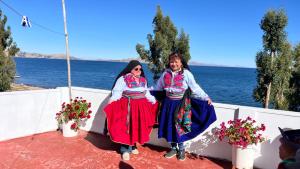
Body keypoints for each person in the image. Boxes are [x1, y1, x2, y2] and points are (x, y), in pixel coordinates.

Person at [153, 52, 217, 161]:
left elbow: (195, 88)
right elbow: (158, 86)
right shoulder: (165, 73)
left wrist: (206, 97)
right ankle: (173, 148)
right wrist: (146, 92)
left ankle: (181, 149)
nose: (173, 64)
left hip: (181, 104)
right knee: (170, 126)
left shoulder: (186, 74)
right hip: (168, 104)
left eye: (176, 62)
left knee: (179, 127)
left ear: (181, 63)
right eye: (172, 61)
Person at [104, 60, 158, 161]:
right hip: (127, 107)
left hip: (140, 108)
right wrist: (111, 101)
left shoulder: (143, 80)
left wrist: (153, 100)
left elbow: (146, 93)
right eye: (136, 69)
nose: (139, 71)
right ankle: (124, 149)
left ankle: (133, 146)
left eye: (140, 69)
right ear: (130, 69)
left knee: (136, 127)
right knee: (127, 128)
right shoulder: (123, 79)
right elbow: (117, 92)